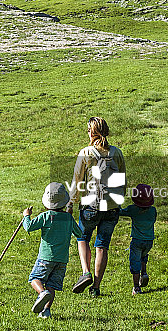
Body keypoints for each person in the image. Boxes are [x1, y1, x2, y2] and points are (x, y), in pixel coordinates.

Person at [66, 116, 126, 297]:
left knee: (82, 237)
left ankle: (86, 273)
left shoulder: (86, 152)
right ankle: (96, 287)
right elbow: (122, 179)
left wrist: (71, 202)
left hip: (91, 206)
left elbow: (77, 180)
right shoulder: (117, 152)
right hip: (112, 207)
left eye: (88, 130)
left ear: (93, 132)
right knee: (102, 246)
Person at [23, 182, 83, 319]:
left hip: (46, 257)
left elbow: (28, 227)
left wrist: (26, 215)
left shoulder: (45, 216)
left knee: (34, 278)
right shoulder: (68, 218)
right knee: (52, 285)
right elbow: (79, 234)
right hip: (62, 260)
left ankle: (41, 293)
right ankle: (46, 311)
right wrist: (69, 216)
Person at [120, 184, 157, 295]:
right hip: (149, 241)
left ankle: (136, 287)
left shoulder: (133, 209)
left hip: (137, 240)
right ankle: (144, 273)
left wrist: (117, 205)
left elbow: (121, 212)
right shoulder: (153, 210)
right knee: (143, 256)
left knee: (135, 262)